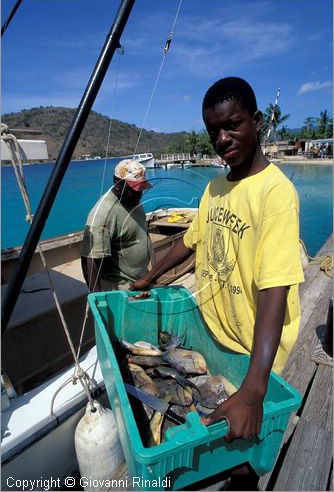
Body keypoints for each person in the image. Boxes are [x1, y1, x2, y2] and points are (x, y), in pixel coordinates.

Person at [132, 77, 304, 489]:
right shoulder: (213, 188)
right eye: (214, 131)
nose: (222, 138)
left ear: (257, 122)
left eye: (233, 125)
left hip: (253, 356)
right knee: (213, 451)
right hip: (215, 343)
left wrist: (253, 390)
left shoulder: (275, 194)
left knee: (244, 459)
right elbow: (190, 243)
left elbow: (274, 292)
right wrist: (150, 275)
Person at [81, 159, 153, 292]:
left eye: (141, 188)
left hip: (142, 280)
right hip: (123, 289)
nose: (139, 193)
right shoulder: (103, 214)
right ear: (118, 184)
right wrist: (99, 301)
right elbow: (89, 261)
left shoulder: (132, 199)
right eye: (134, 189)